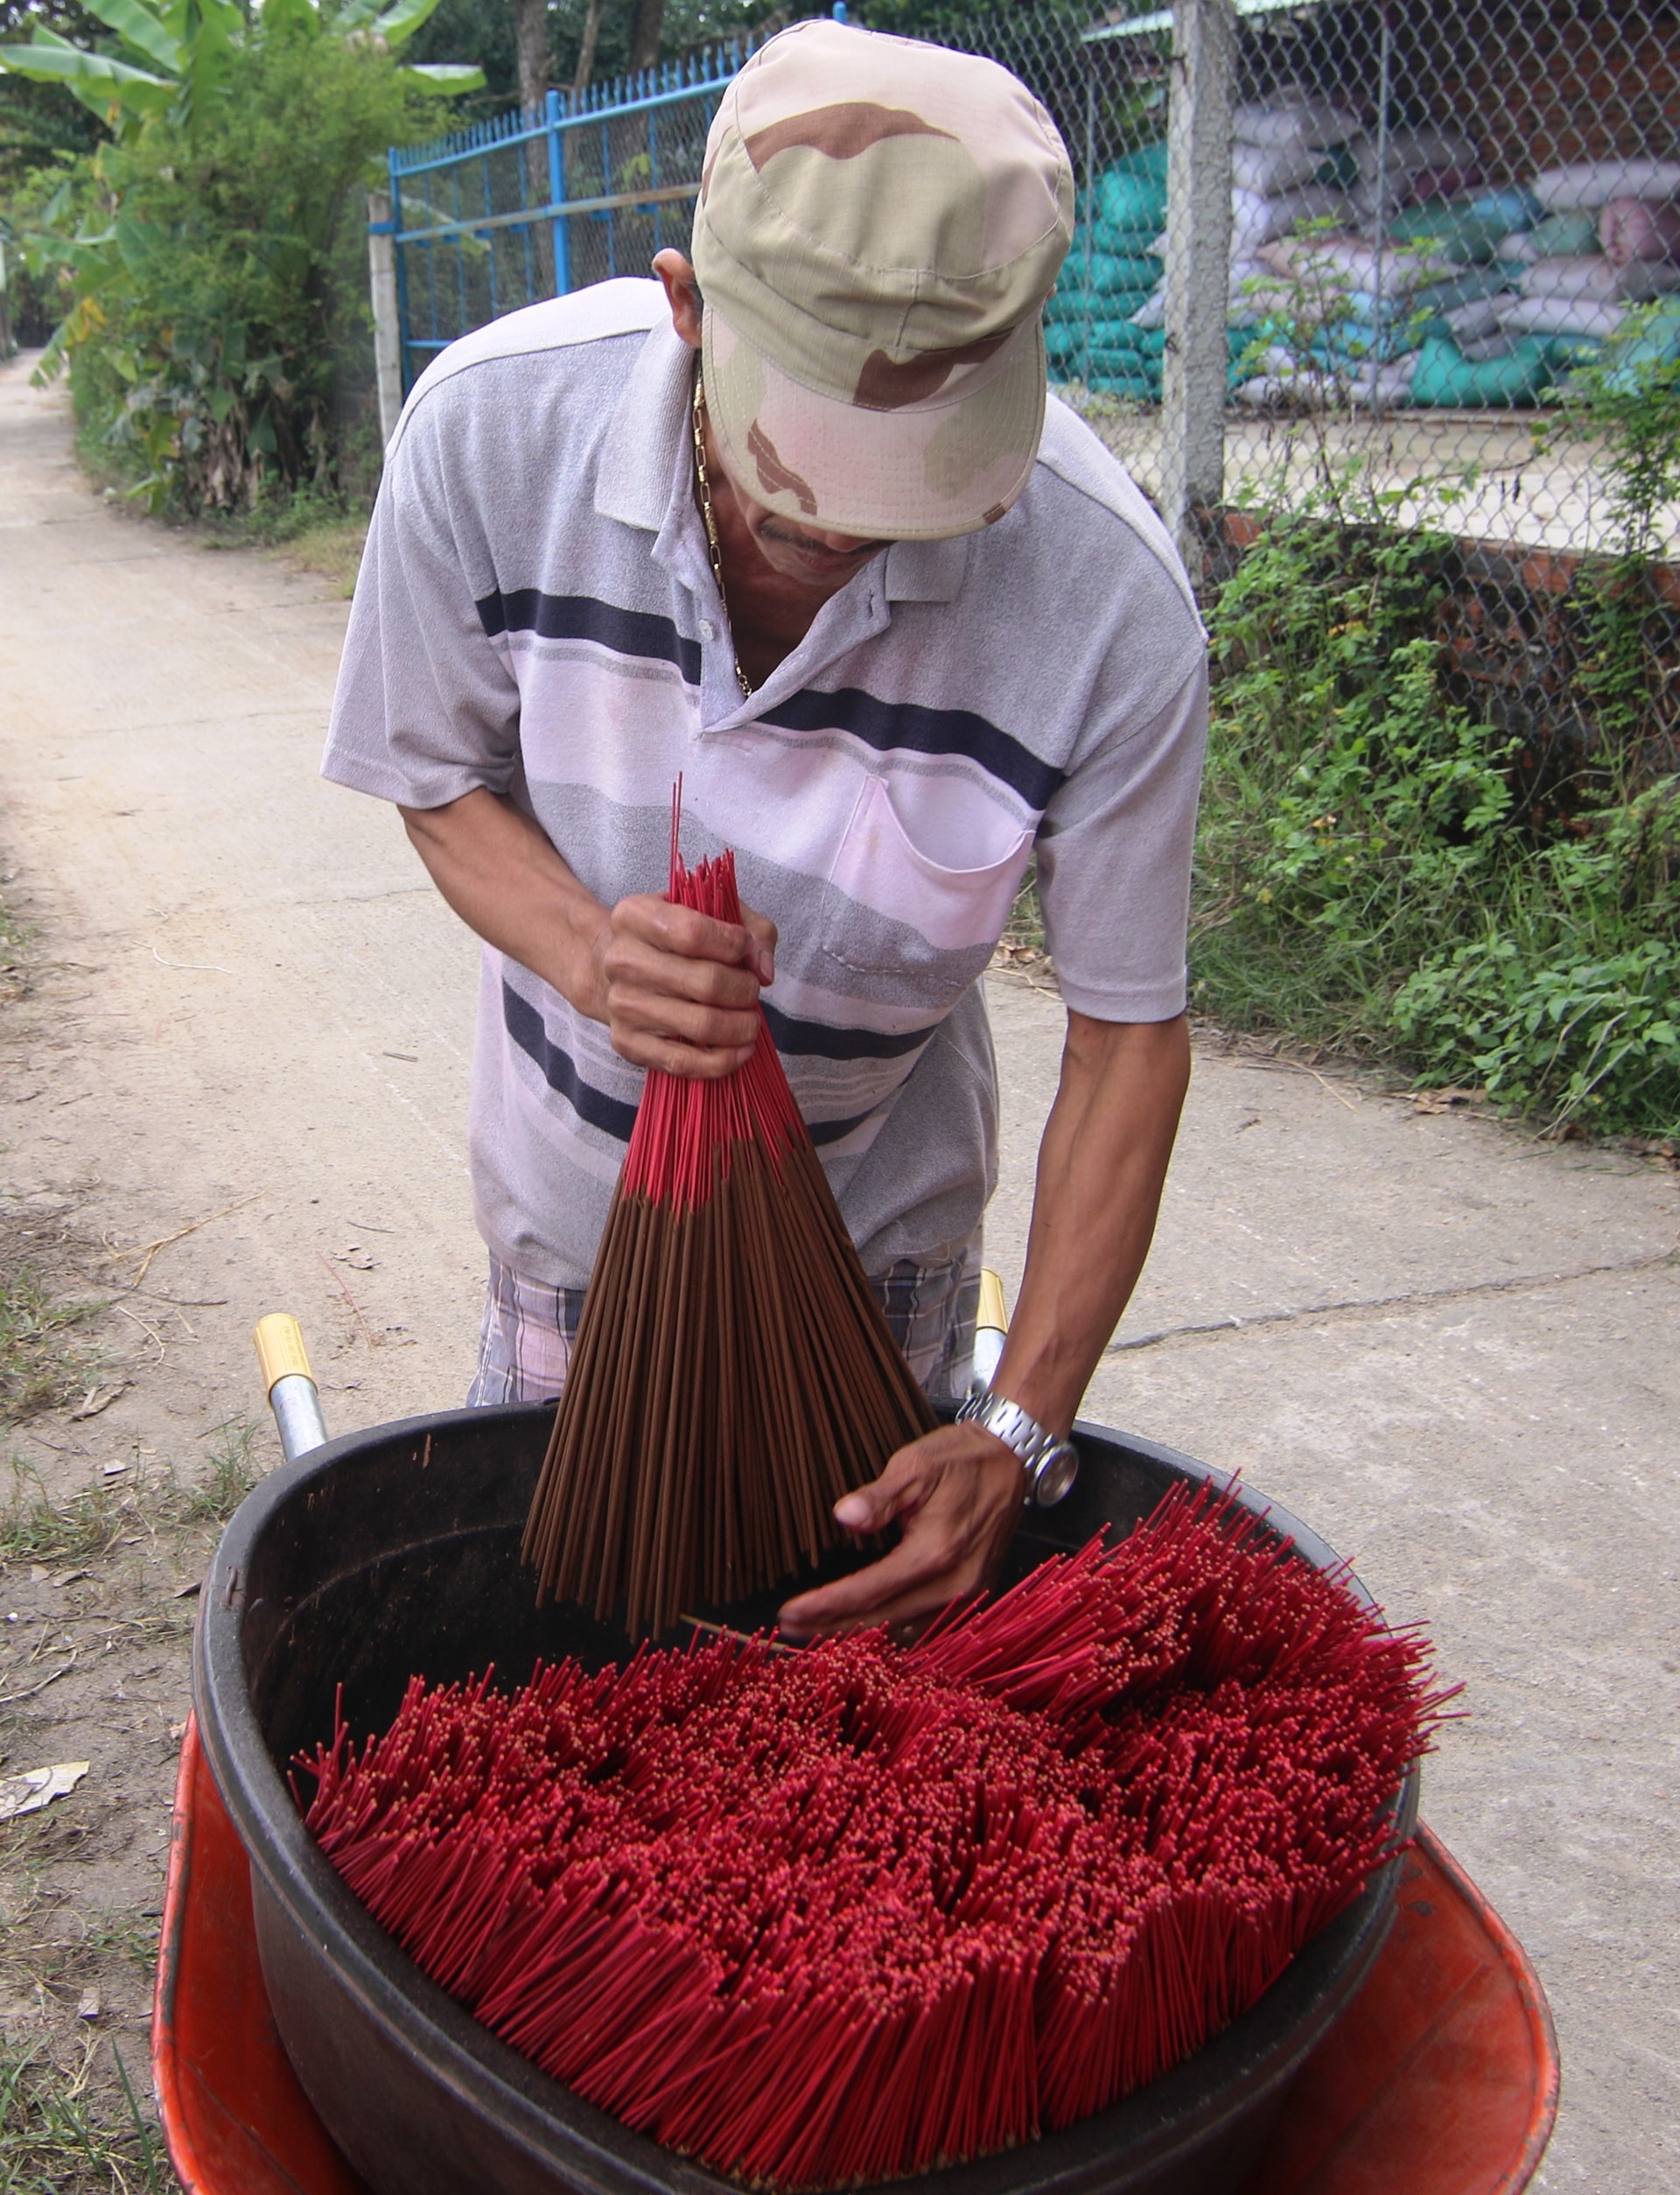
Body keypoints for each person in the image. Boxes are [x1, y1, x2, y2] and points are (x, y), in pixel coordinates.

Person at [320, 18, 1206, 1641]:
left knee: (840, 1689)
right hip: (579, 1227)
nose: (841, 546)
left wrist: (1018, 1424)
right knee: (566, 1656)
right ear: (686, 306)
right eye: (792, 490)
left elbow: (1129, 1036)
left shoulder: (1107, 609)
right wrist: (591, 953)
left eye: (906, 495)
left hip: (873, 1271)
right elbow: (432, 773)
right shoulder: (489, 437)